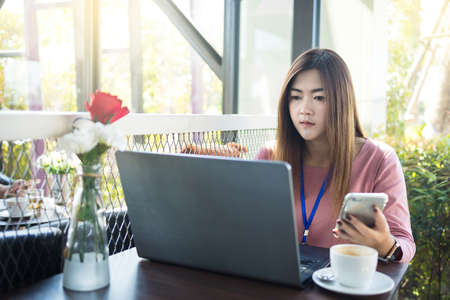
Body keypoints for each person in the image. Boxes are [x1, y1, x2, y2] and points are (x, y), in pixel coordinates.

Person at [256, 48, 415, 263]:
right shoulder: (270, 156)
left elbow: (404, 243)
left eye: (319, 97)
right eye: (295, 97)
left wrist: (384, 245)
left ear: (341, 102)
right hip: (280, 282)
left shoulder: (379, 160)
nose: (304, 109)